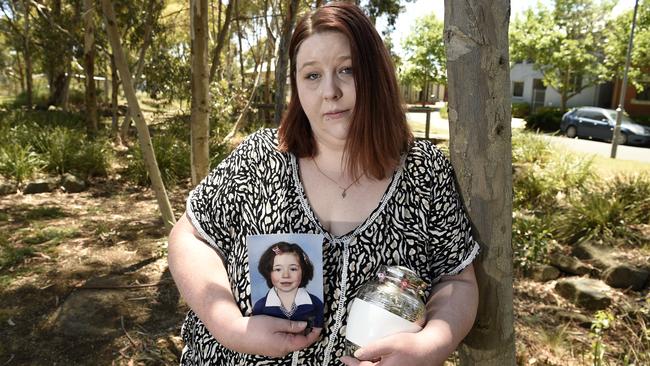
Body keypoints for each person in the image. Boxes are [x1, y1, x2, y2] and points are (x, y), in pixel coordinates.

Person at [168, 2, 479, 366]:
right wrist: (230, 326)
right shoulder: (259, 159)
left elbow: (457, 280)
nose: (329, 91)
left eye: (347, 70)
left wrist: (432, 346)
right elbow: (189, 238)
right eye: (312, 75)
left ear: (376, 74)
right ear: (296, 85)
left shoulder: (425, 173)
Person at [252, 242, 324, 329]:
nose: (285, 275)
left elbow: (317, 329)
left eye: (293, 269)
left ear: (303, 271)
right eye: (278, 269)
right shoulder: (260, 307)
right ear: (269, 272)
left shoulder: (316, 304)